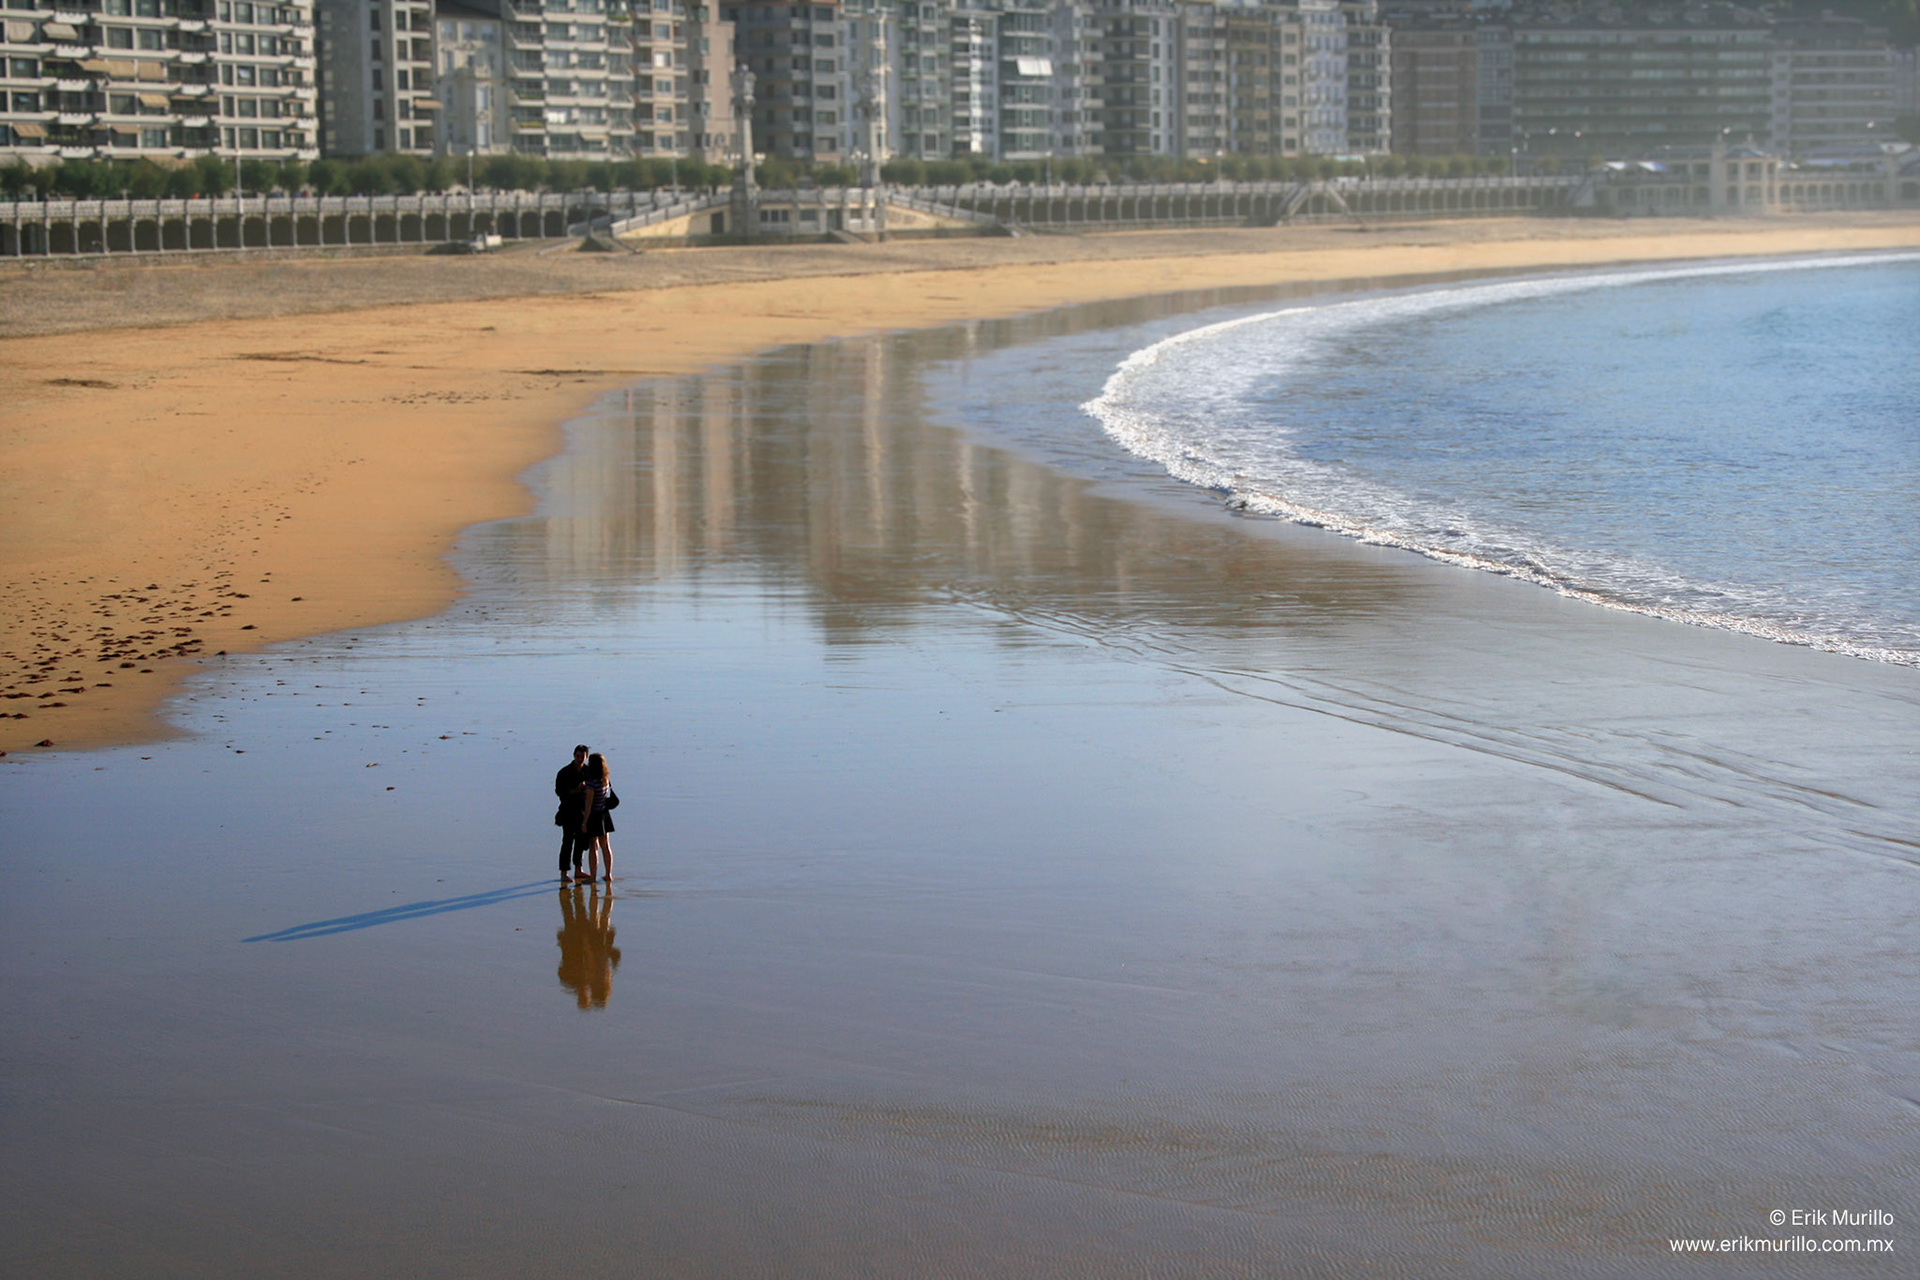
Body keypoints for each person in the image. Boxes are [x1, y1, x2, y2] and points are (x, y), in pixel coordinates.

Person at [554, 744, 591, 882]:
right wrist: (576, 790)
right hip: (568, 811)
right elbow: (560, 792)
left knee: (581, 841)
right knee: (567, 841)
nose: (580, 759)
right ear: (574, 755)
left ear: (586, 757)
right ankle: (564, 872)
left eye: (582, 757)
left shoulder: (589, 772)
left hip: (583, 812)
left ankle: (578, 869)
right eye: (578, 756)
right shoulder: (564, 772)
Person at [578, 752, 616, 883]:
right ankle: (608, 874)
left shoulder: (592, 783)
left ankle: (593, 877)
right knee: (605, 846)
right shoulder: (605, 779)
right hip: (604, 814)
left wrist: (584, 823)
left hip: (594, 816)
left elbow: (588, 805)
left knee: (593, 847)